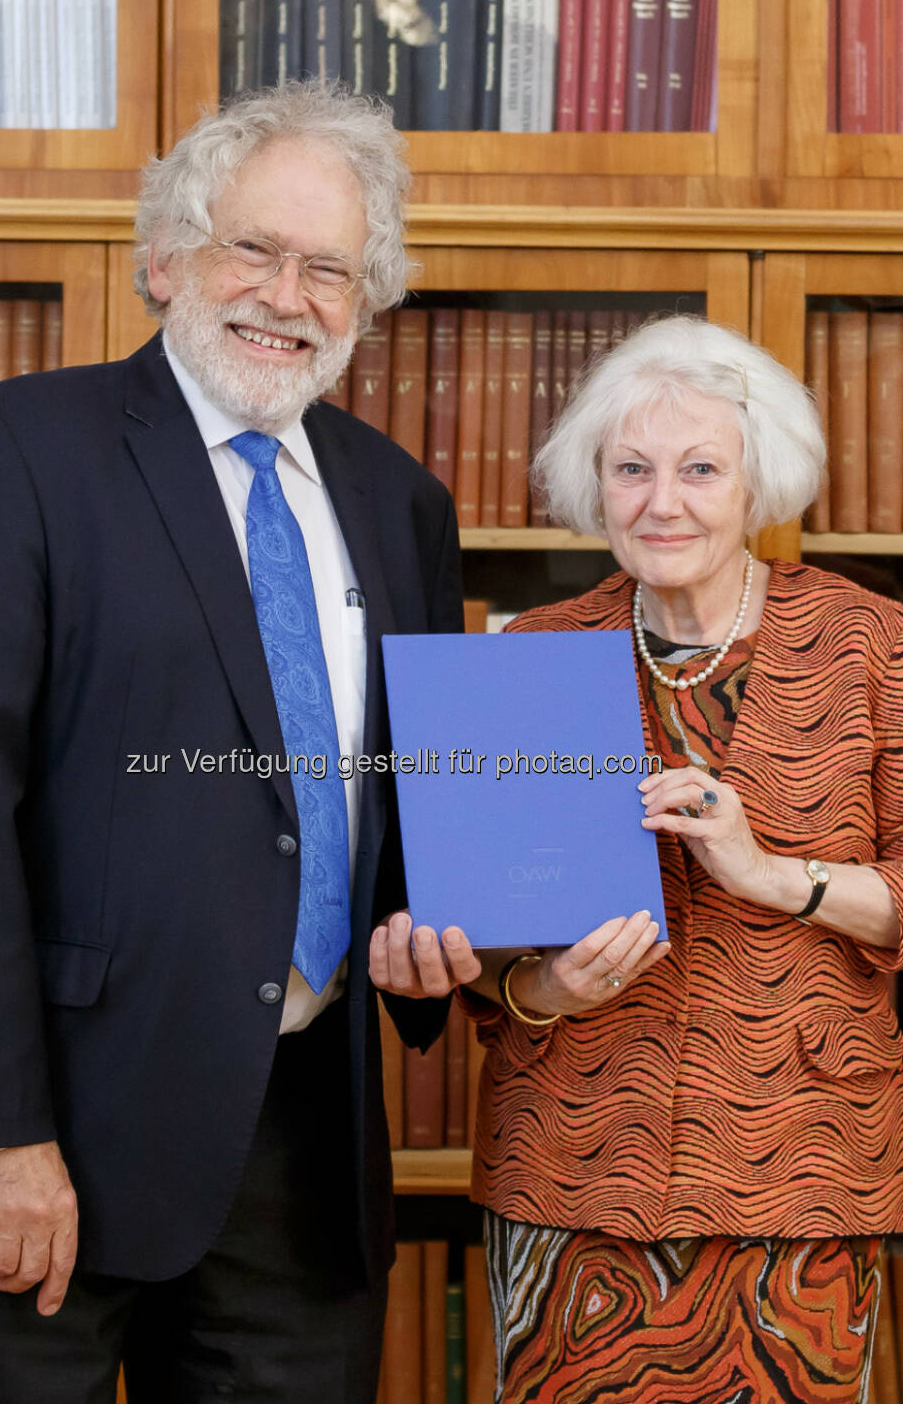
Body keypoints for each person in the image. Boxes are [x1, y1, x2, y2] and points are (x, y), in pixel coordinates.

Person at [0, 82, 462, 1404]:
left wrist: (445, 934)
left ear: (367, 297)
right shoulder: (14, 451)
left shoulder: (401, 503)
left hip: (304, 1149)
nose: (288, 293)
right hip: (58, 1132)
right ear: (163, 261)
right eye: (251, 249)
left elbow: (404, 802)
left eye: (329, 266)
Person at [371, 316, 903, 1404]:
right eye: (631, 469)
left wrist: (769, 875)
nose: (662, 501)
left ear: (756, 484)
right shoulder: (529, 657)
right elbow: (481, 932)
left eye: (699, 468)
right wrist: (540, 987)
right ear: (594, 485)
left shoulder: (871, 647)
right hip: (568, 1168)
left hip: (797, 1175)